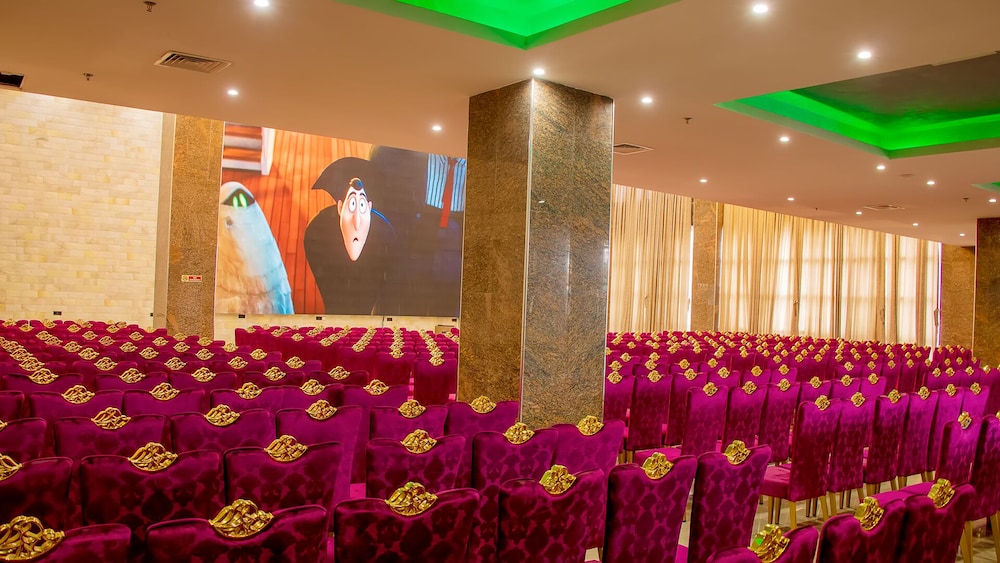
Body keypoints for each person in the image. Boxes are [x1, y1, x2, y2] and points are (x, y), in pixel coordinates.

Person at [304, 157, 395, 315]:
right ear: (340, 207)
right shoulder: (317, 235)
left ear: (369, 207)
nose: (356, 221)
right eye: (352, 204)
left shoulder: (385, 240)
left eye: (362, 205)